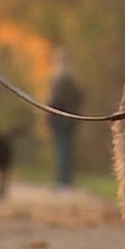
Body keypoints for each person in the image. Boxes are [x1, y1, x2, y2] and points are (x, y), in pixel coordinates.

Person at [46, 47, 85, 190]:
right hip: (71, 119)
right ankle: (66, 180)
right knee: (67, 150)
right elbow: (80, 98)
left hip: (61, 119)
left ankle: (62, 181)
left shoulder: (60, 79)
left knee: (62, 150)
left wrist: (50, 116)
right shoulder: (74, 79)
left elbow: (56, 100)